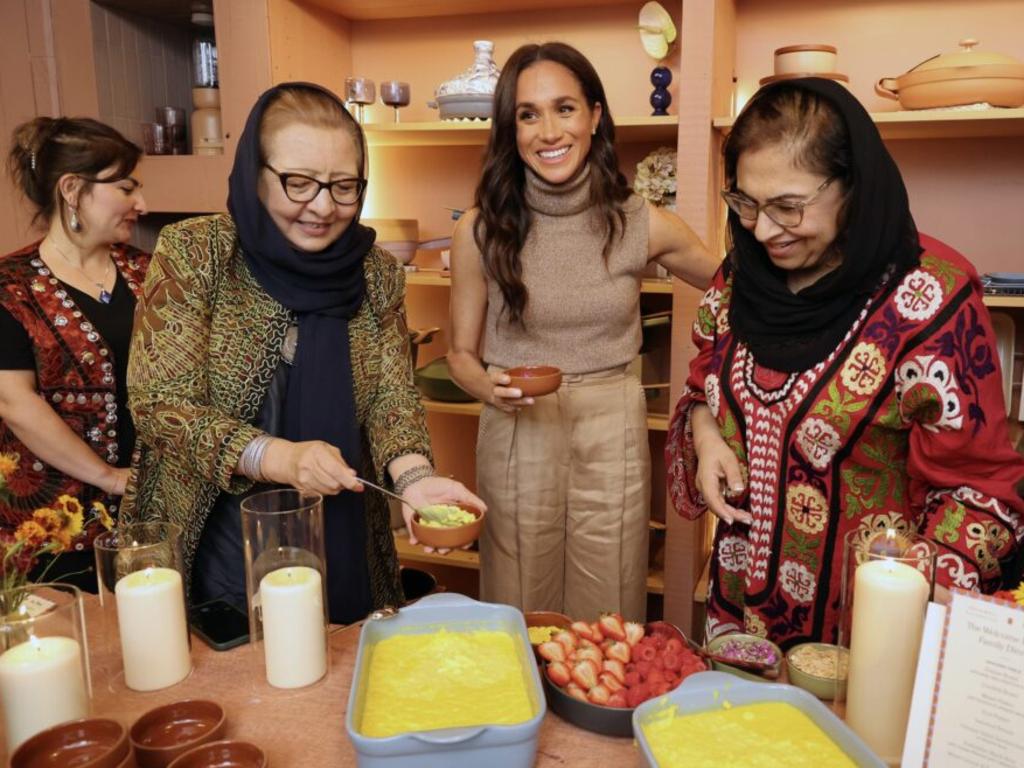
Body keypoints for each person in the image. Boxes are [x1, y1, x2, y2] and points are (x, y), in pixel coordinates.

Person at [666, 77, 1024, 648]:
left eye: (787, 207)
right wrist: (707, 436)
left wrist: (907, 604)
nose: (761, 230)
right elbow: (703, 382)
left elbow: (980, 491)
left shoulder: (929, 299)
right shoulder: (738, 281)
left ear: (853, 186)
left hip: (865, 639)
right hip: (737, 617)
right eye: (745, 203)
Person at [123, 82, 484, 624]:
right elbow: (158, 404)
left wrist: (415, 481)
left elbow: (391, 397)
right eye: (298, 183)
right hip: (216, 534)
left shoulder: (377, 272)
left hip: (342, 531)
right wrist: (278, 457)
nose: (322, 207)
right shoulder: (198, 254)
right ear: (256, 173)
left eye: (344, 187)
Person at [448, 42, 719, 622]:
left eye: (565, 108)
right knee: (517, 595)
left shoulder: (640, 221)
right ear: (510, 130)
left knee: (611, 594)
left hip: (611, 423)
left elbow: (734, 286)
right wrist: (487, 387)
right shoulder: (480, 230)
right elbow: (460, 355)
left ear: (595, 117)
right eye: (528, 114)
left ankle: (593, 711)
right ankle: (521, 707)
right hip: (519, 420)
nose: (548, 130)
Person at [0, 117, 148, 591]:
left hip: (151, 516)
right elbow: (15, 403)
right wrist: (109, 477)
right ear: (72, 189)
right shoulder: (11, 287)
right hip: (53, 534)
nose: (140, 204)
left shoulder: (151, 272)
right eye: (125, 188)